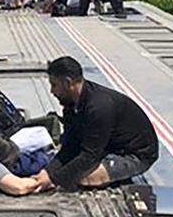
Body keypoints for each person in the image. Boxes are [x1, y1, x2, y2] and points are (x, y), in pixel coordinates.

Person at [23, 57, 158, 193]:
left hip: (135, 154)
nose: (52, 91)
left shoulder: (98, 108)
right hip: (107, 146)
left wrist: (54, 180)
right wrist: (47, 172)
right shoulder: (71, 104)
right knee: (68, 171)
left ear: (68, 83)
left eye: (54, 85)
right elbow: (71, 146)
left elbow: (89, 156)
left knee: (84, 178)